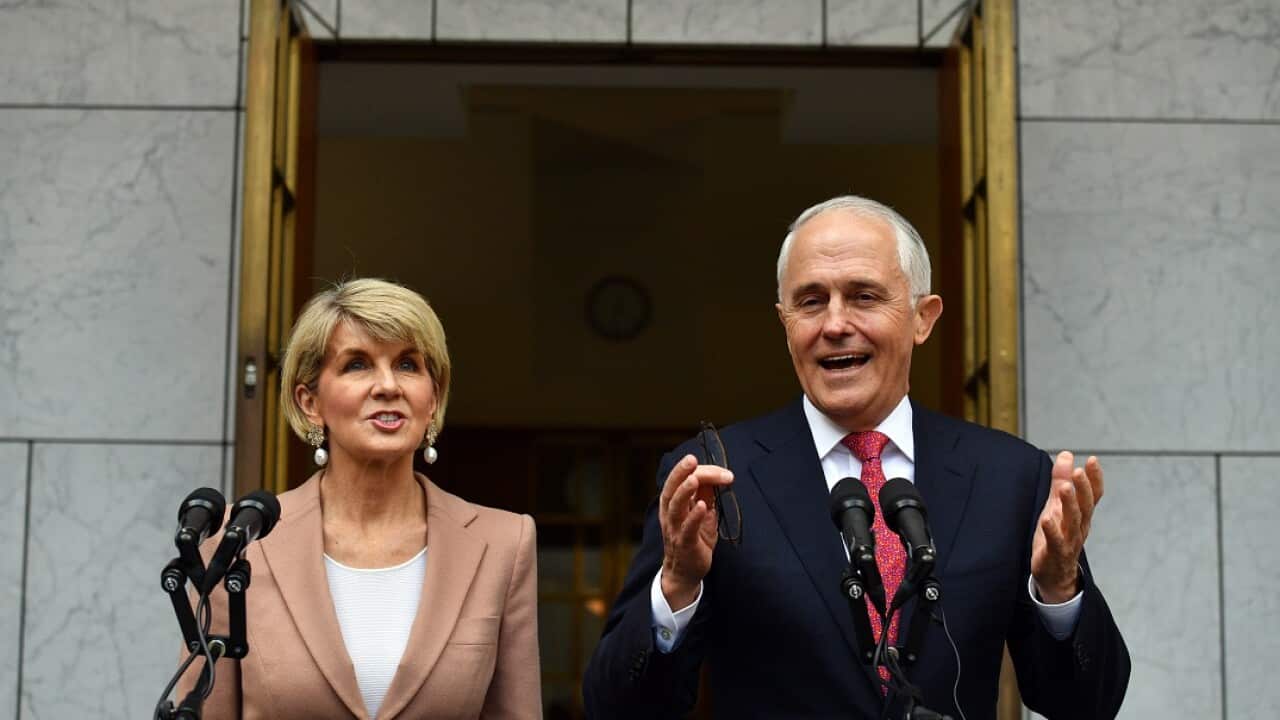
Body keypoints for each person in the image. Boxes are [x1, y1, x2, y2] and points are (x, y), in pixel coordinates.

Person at [583, 196, 1130, 719]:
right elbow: (618, 707)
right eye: (811, 301)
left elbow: (1087, 705)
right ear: (785, 323)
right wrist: (678, 585)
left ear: (923, 317)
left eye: (864, 296)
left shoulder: (1009, 477)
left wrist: (1060, 590)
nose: (835, 323)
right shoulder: (715, 475)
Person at [180, 278, 541, 719]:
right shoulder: (240, 539)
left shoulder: (504, 542)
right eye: (357, 365)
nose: (388, 386)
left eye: (408, 365)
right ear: (309, 401)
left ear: (434, 399)